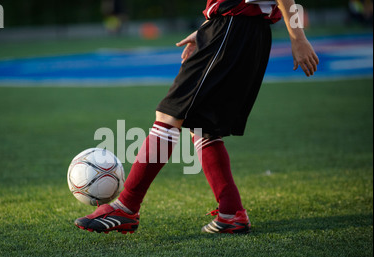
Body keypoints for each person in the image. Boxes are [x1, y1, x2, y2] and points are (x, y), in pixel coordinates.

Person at [75, 0, 319, 234]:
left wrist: (298, 37)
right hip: (240, 30)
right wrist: (206, 29)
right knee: (203, 124)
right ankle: (231, 212)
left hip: (232, 27)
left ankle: (126, 207)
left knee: (170, 114)